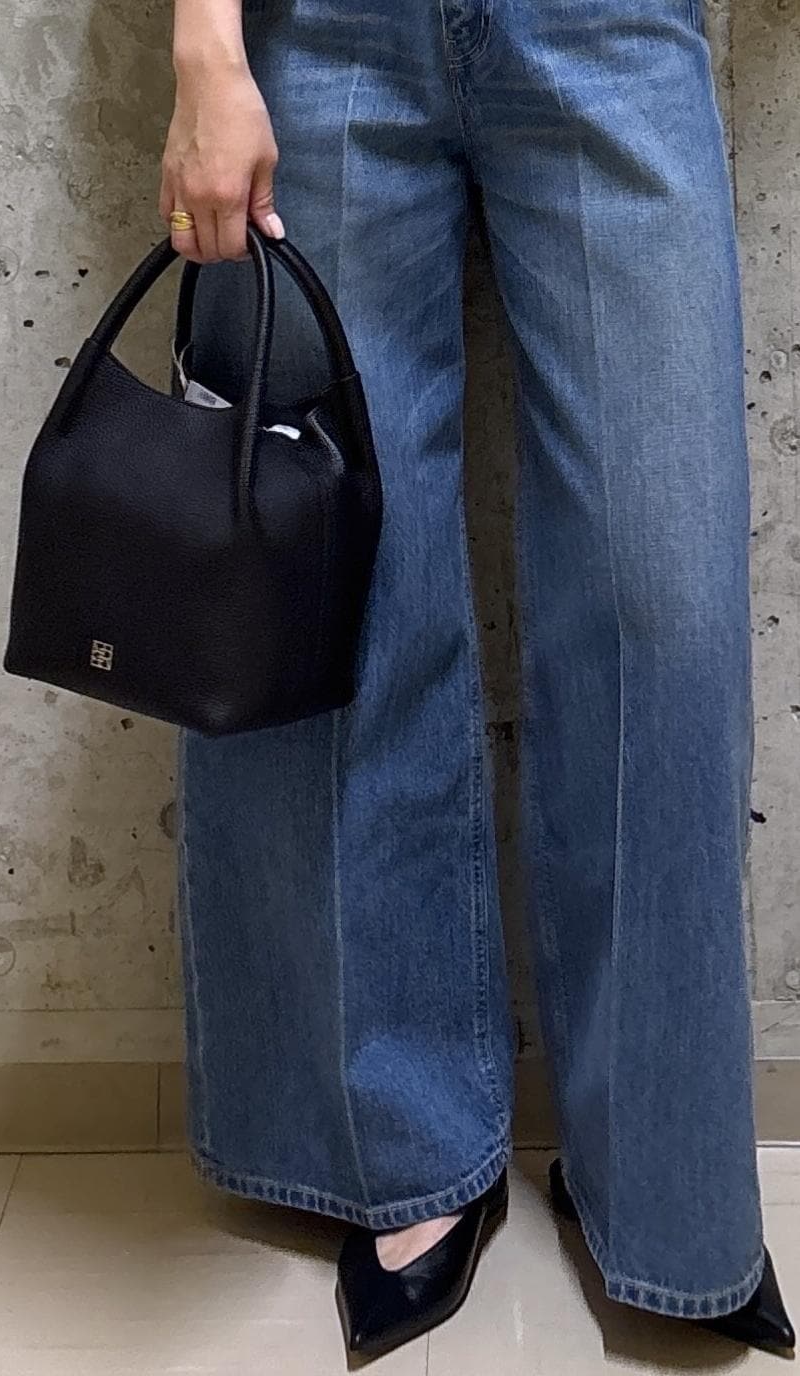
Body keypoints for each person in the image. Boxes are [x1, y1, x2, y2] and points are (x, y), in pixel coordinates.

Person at [159, 0, 795, 1360]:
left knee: (662, 606)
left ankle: (668, 1187)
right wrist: (206, 48)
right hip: (324, 30)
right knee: (344, 588)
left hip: (610, 27)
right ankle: (402, 1155)